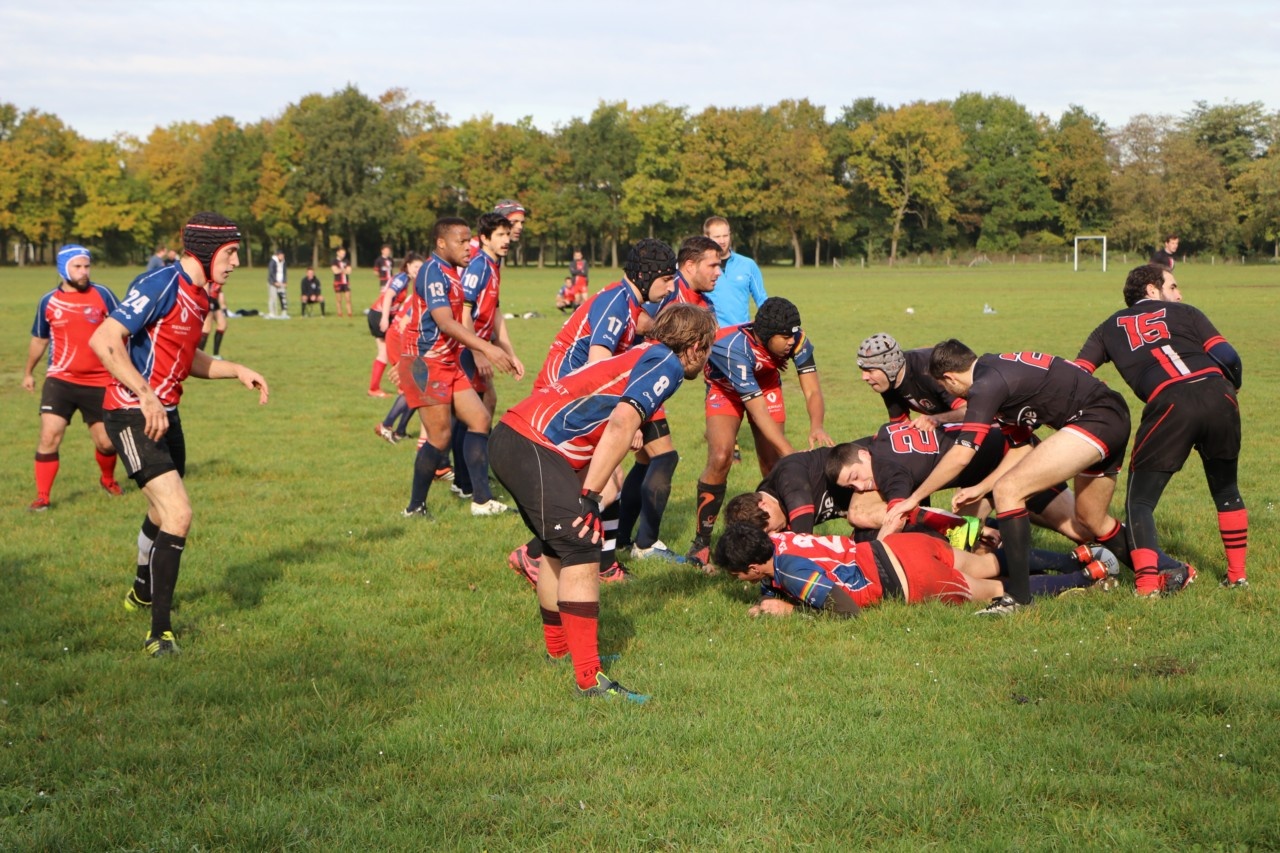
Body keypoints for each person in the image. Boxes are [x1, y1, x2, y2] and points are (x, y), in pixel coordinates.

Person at [489, 303, 717, 702]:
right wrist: (591, 497)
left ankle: (561, 653)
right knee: (582, 545)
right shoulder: (667, 364)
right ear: (696, 346)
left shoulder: (645, 353)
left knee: (558, 548)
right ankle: (589, 680)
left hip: (516, 438)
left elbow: (613, 413)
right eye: (709, 348)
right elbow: (621, 421)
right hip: (532, 445)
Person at [884, 340, 1191, 615]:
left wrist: (912, 499)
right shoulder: (995, 374)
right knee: (1091, 518)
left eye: (944, 387)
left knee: (1009, 491)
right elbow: (1021, 447)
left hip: (1095, 419)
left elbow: (962, 454)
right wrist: (981, 487)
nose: (949, 394)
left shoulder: (985, 386)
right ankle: (1171, 570)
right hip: (1110, 416)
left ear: (950, 379)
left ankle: (1018, 597)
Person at [89, 212, 269, 657]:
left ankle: (141, 589)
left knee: (160, 510)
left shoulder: (200, 295)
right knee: (179, 513)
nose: (235, 263)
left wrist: (235, 369)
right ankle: (159, 634)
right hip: (132, 413)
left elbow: (186, 358)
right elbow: (104, 340)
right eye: (230, 254)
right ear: (206, 252)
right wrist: (146, 395)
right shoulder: (161, 283)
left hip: (165, 414)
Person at [508, 239, 678, 583]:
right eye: (666, 279)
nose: (671, 287)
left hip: (572, 403)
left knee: (602, 484)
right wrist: (627, 420)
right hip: (563, 405)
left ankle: (601, 563)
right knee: (605, 485)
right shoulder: (617, 303)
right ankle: (535, 554)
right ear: (645, 276)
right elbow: (598, 364)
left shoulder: (627, 302)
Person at [1076, 263, 1247, 591]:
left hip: (1169, 402)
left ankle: (1146, 587)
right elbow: (1227, 356)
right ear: (1151, 290)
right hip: (1218, 394)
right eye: (1173, 286)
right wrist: (1233, 386)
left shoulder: (1107, 328)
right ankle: (1237, 576)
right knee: (1226, 490)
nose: (1179, 294)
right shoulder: (1187, 312)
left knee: (1139, 503)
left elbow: (1078, 372)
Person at [686, 296, 833, 569]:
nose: (792, 340)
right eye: (785, 337)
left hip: (766, 386)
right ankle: (702, 541)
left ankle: (781, 535)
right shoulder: (734, 347)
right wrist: (792, 454)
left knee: (773, 465)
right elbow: (758, 412)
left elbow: (813, 390)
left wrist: (817, 425)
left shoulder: (797, 340)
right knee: (721, 457)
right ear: (766, 335)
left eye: (793, 334)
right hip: (725, 389)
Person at [713, 523, 1109, 619]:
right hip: (900, 545)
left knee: (996, 589)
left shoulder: (790, 571)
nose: (739, 582)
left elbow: (845, 608)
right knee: (987, 562)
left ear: (752, 566)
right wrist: (768, 594)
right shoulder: (779, 541)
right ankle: (1079, 556)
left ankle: (1085, 578)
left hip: (907, 579)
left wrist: (793, 611)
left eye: (737, 575)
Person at [397, 218, 516, 518]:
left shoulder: (451, 272)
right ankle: (415, 507)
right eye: (461, 242)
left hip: (447, 361)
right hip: (427, 364)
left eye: (468, 240)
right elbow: (445, 322)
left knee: (480, 419)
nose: (468, 247)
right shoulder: (433, 272)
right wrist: (486, 347)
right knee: (440, 438)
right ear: (441, 243)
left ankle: (481, 500)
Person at [617, 235, 724, 561]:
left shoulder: (703, 304)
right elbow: (632, 318)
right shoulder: (665, 289)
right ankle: (645, 545)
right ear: (689, 265)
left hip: (653, 384)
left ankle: (620, 539)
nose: (718, 271)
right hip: (636, 382)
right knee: (664, 458)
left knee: (645, 461)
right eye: (713, 265)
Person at [23, 244, 125, 511]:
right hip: (61, 380)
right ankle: (43, 497)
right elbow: (39, 339)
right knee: (49, 436)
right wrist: (28, 373)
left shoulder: (103, 294)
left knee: (106, 443)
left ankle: (108, 480)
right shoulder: (48, 301)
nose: (84, 272)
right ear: (63, 268)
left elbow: (124, 330)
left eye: (87, 266)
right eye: (77, 267)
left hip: (101, 380)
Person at [453, 213, 526, 505]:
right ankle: (470, 486)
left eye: (508, 235)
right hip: (464, 350)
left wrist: (510, 352)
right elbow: (463, 312)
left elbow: (494, 312)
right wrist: (478, 351)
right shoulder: (479, 266)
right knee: (473, 418)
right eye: (500, 235)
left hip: (477, 347)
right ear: (484, 238)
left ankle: (465, 482)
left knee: (477, 412)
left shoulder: (494, 265)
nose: (507, 240)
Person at [857, 334, 966, 429]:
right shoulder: (888, 382)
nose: (864, 377)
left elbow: (968, 410)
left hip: (972, 421)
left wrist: (936, 419)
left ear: (892, 366)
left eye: (870, 371)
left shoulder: (929, 370)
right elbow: (900, 425)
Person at [374, 253, 425, 443]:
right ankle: (386, 425)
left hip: (404, 339)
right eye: (415, 267)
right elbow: (404, 324)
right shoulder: (417, 287)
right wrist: (407, 354)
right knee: (412, 387)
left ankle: (400, 430)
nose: (418, 271)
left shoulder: (418, 287)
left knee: (418, 388)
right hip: (399, 339)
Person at [702, 215, 766, 328]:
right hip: (711, 334)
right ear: (706, 237)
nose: (722, 241)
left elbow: (762, 300)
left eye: (725, 236)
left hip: (741, 333)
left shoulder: (748, 265)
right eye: (717, 237)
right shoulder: (699, 267)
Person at [366, 248, 398, 398]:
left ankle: (374, 388)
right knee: (388, 352)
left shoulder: (400, 278)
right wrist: (385, 318)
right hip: (379, 315)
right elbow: (388, 297)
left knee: (387, 352)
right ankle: (375, 389)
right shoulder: (402, 280)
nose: (417, 270)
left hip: (377, 313)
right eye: (415, 267)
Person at [198, 271, 229, 357]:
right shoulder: (211, 275)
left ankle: (216, 355)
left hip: (214, 302)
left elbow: (219, 291)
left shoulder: (221, 277)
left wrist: (223, 306)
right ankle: (197, 356)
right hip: (207, 301)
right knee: (206, 329)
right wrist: (206, 303)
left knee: (222, 325)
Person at [266, 250, 289, 319]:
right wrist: (275, 282)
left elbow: (284, 272)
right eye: (281, 256)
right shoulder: (272, 262)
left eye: (283, 256)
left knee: (283, 297)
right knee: (273, 298)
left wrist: (285, 281)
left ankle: (284, 312)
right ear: (277, 255)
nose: (282, 257)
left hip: (281, 282)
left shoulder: (283, 262)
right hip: (273, 283)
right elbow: (271, 272)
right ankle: (272, 313)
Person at [332, 247, 353, 318]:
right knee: (339, 299)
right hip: (338, 282)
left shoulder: (346, 261)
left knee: (348, 299)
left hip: (346, 282)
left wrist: (340, 270)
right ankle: (340, 314)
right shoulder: (334, 261)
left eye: (344, 253)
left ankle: (349, 314)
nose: (343, 255)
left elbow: (349, 271)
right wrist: (344, 270)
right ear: (337, 253)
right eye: (342, 253)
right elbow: (335, 271)